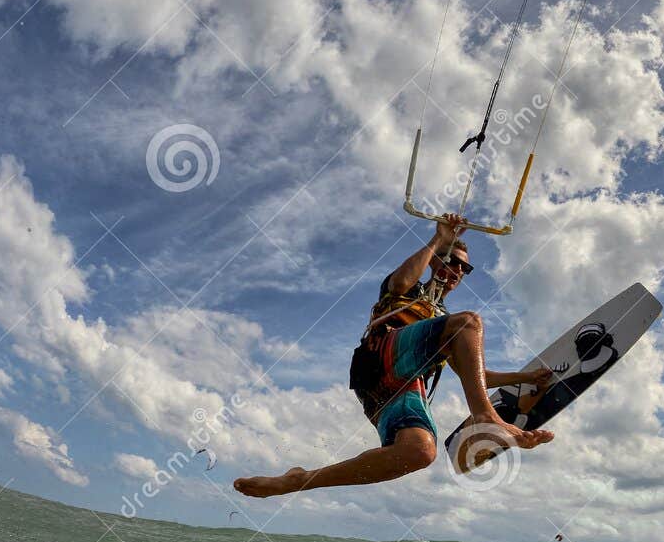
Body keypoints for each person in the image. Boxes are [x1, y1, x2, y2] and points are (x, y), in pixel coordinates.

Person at [234, 213, 553, 498]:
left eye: (464, 268)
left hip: (397, 388)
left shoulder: (447, 324)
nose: (458, 270)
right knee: (469, 322)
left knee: (419, 452)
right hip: (379, 360)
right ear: (435, 261)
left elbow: (474, 375)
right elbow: (400, 283)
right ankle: (485, 417)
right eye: (452, 261)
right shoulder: (411, 293)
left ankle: (300, 480)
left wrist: (527, 377)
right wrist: (438, 239)